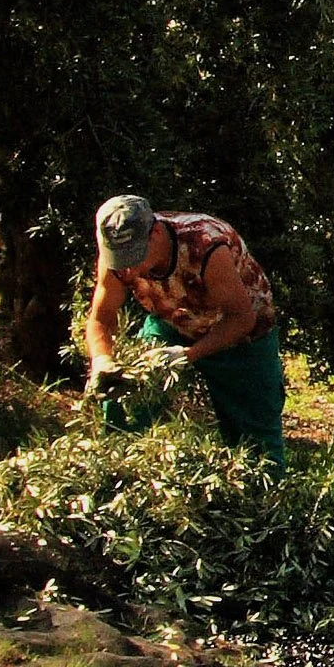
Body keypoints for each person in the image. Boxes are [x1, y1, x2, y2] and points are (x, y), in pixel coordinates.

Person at [84, 195, 287, 471]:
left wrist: (187, 355)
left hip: (242, 338)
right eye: (120, 259)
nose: (128, 268)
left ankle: (262, 504)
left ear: (155, 233)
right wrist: (101, 360)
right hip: (173, 322)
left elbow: (241, 319)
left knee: (255, 444)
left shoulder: (205, 245)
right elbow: (102, 318)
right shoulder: (117, 260)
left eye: (134, 257)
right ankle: (119, 478)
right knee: (126, 400)